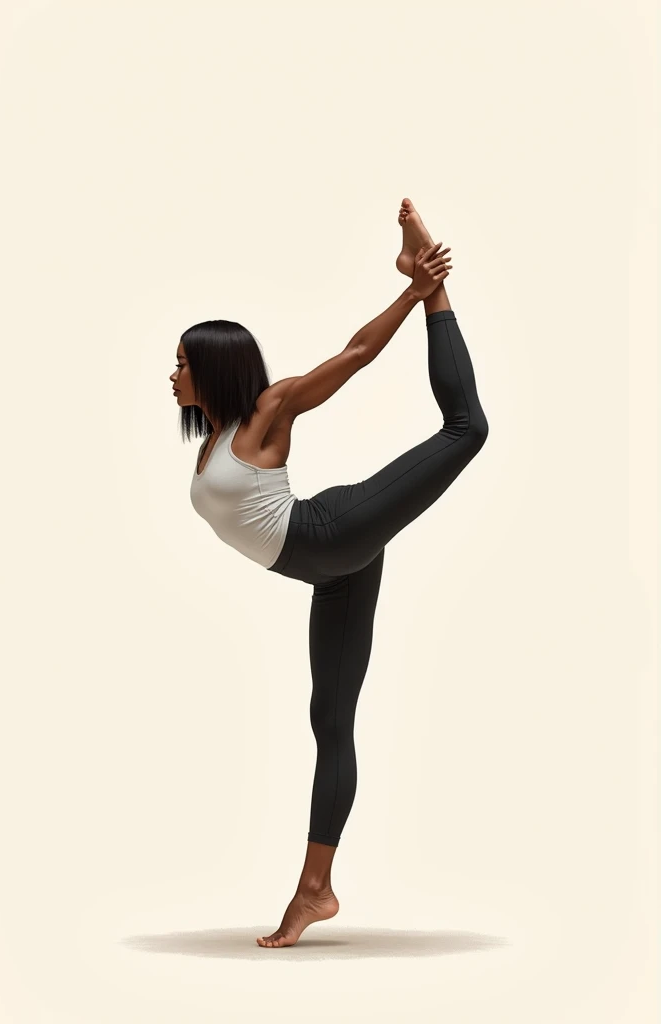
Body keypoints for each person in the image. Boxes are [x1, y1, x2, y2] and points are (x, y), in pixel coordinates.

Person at [170, 198, 489, 948]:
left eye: (184, 362)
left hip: (336, 530)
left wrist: (414, 292)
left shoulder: (266, 413)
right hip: (332, 570)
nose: (174, 373)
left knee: (467, 429)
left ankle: (434, 279)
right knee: (330, 722)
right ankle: (317, 890)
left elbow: (351, 357)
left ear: (214, 368)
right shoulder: (215, 437)